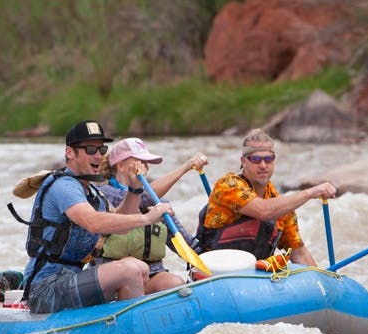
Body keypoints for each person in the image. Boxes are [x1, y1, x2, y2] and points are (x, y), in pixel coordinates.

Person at [21, 119, 175, 314]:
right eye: (90, 150)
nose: (99, 156)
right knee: (129, 271)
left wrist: (135, 189)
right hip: (45, 289)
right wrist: (146, 218)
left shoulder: (93, 191)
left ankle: (126, 327)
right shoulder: (63, 186)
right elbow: (93, 222)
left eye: (102, 150)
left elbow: (121, 223)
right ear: (70, 152)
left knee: (139, 267)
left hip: (73, 278)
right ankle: (130, 330)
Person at [197, 128, 337, 267]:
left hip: (254, 278)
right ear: (243, 161)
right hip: (214, 272)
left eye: (268, 159)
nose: (263, 165)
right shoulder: (228, 185)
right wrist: (309, 193)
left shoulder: (281, 205)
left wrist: (323, 280)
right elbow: (264, 211)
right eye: (255, 159)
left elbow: (299, 253)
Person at [95, 137, 208, 294]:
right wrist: (185, 167)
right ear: (120, 165)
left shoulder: (159, 202)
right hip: (114, 278)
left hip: (152, 274)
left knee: (173, 283)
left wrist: (212, 255)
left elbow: (185, 243)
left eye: (146, 163)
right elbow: (139, 199)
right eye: (139, 161)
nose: (145, 167)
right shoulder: (103, 194)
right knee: (132, 268)